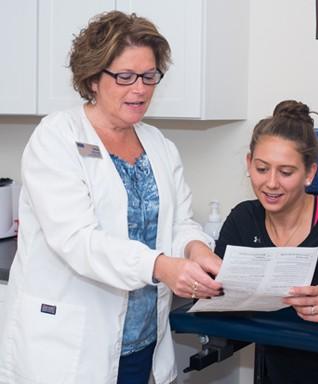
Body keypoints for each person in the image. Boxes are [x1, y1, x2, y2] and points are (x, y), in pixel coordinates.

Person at [0, 10, 223, 384]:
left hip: (141, 341)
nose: (139, 89)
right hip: (71, 347)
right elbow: (78, 240)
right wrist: (161, 267)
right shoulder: (57, 137)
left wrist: (197, 249)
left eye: (149, 76)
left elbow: (180, 223)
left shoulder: (159, 145)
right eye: (124, 77)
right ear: (92, 78)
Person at [215, 100, 318, 384]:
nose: (270, 183)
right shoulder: (243, 221)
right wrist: (203, 286)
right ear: (248, 163)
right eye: (262, 168)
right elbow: (216, 295)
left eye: (286, 172)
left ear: (309, 173)